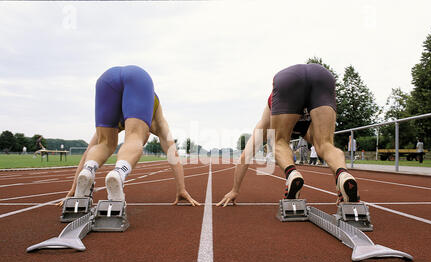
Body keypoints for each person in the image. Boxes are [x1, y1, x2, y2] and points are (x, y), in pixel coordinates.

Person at [217, 63, 360, 207]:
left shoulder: (265, 124)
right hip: (321, 75)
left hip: (288, 79)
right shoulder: (308, 129)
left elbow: (245, 156)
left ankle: (292, 174)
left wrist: (235, 190)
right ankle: (343, 175)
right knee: (325, 145)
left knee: (278, 141)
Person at [58, 65, 200, 207]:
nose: (143, 143)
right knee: (133, 137)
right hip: (138, 77)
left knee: (105, 144)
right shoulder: (159, 123)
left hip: (107, 79)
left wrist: (75, 187)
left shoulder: (119, 121)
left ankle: (88, 170)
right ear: (148, 133)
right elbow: (172, 154)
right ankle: (119, 173)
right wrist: (181, 189)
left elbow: (89, 151)